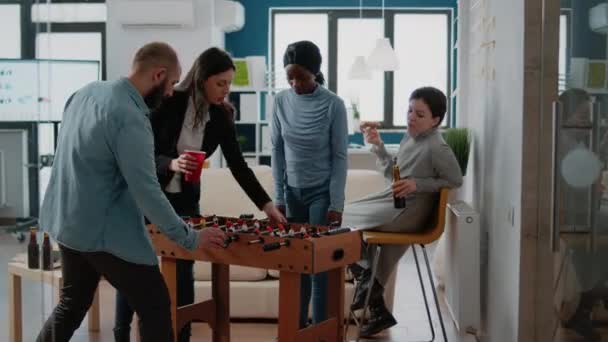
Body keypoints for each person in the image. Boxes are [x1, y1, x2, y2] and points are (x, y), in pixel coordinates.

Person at [36, 42, 226, 342]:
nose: (169, 93)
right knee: (155, 306)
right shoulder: (130, 116)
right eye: (172, 83)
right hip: (102, 233)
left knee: (71, 305)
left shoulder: (86, 92)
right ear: (158, 74)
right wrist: (189, 237)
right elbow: (147, 191)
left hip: (68, 224)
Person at [113, 47, 286, 342]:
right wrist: (172, 163)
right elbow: (139, 153)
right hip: (147, 195)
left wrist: (266, 204)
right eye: (221, 83)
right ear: (202, 78)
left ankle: (184, 335)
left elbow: (238, 165)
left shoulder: (221, 116)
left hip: (185, 201)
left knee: (184, 271)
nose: (226, 90)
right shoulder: (166, 102)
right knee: (135, 267)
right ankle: (121, 334)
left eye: (229, 83)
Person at [342, 86, 463, 337]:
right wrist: (378, 146)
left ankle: (369, 287)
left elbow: (455, 178)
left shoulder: (437, 147)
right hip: (396, 203)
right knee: (336, 219)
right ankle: (375, 301)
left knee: (335, 220)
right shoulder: (411, 138)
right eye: (409, 111)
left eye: (419, 114)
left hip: (407, 211)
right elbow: (393, 174)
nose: (411, 118)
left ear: (435, 120)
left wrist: (418, 184)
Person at [271, 40, 348, 328]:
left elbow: (340, 158)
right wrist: (277, 196)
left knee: (318, 269)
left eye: (300, 77)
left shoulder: (333, 105)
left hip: (321, 195)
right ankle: (297, 330)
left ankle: (320, 333)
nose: (294, 84)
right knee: (295, 266)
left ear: (315, 73)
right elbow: (276, 151)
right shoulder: (280, 101)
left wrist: (336, 203)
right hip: (292, 194)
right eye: (289, 77)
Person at [555, 88, 608, 341]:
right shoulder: (567, 145)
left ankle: (590, 301)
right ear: (567, 114)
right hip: (574, 217)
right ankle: (590, 301)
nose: (588, 121)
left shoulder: (568, 141)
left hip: (577, 213)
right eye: (583, 114)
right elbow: (586, 189)